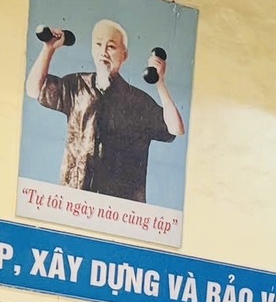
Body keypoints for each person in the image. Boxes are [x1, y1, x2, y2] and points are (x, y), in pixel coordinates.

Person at [26, 17, 185, 202]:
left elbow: (176, 129)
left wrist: (160, 83)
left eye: (111, 47)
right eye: (98, 44)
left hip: (120, 207)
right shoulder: (76, 86)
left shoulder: (139, 102)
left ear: (124, 55)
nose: (103, 52)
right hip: (74, 198)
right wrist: (49, 49)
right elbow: (34, 90)